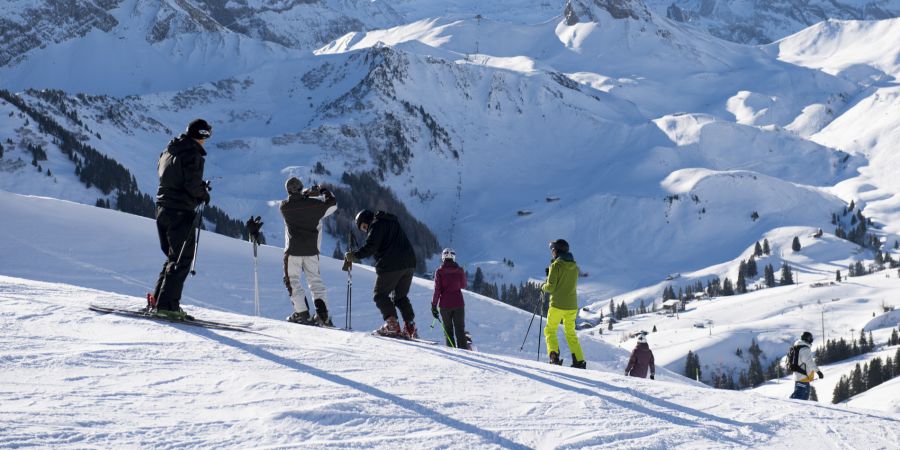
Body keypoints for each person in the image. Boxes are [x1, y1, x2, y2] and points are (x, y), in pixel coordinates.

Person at [149, 119, 212, 320]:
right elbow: (191, 184)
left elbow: (171, 178)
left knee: (173, 257)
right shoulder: (192, 154)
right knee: (182, 259)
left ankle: (159, 302)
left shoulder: (169, 151)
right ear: (203, 135)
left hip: (162, 208)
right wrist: (203, 193)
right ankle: (168, 306)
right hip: (180, 211)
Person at [345, 209, 418, 338]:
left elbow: (371, 246)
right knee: (400, 297)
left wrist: (354, 255)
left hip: (392, 263)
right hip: (409, 263)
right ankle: (410, 326)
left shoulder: (376, 224)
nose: (365, 230)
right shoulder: (391, 222)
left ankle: (392, 326)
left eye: (363, 226)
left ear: (366, 219)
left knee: (380, 295)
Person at [280, 177, 337, 326]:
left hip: (293, 251)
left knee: (292, 281)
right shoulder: (315, 205)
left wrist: (304, 195)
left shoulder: (284, 207)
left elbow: (295, 202)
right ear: (301, 188)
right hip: (312, 250)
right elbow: (332, 205)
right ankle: (323, 316)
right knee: (315, 282)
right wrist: (323, 191)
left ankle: (301, 313)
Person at [542, 239, 586, 369]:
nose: (552, 252)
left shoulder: (556, 266)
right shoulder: (575, 267)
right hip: (572, 306)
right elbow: (566, 282)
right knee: (570, 333)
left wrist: (543, 286)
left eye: (553, 249)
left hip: (557, 305)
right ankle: (579, 361)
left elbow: (550, 287)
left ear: (558, 251)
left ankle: (554, 357)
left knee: (550, 330)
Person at [431, 248, 468, 348]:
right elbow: (463, 285)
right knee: (460, 329)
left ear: (443, 257)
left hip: (445, 305)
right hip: (459, 304)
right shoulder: (460, 270)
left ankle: (452, 352)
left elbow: (437, 290)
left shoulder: (439, 271)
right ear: (454, 257)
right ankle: (464, 352)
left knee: (448, 330)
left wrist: (434, 305)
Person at [789, 331, 824, 400]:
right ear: (807, 338)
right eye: (811, 338)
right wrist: (818, 372)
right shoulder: (805, 349)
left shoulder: (798, 347)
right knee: (798, 399)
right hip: (802, 377)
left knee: (802, 399)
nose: (812, 340)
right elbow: (809, 362)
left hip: (800, 376)